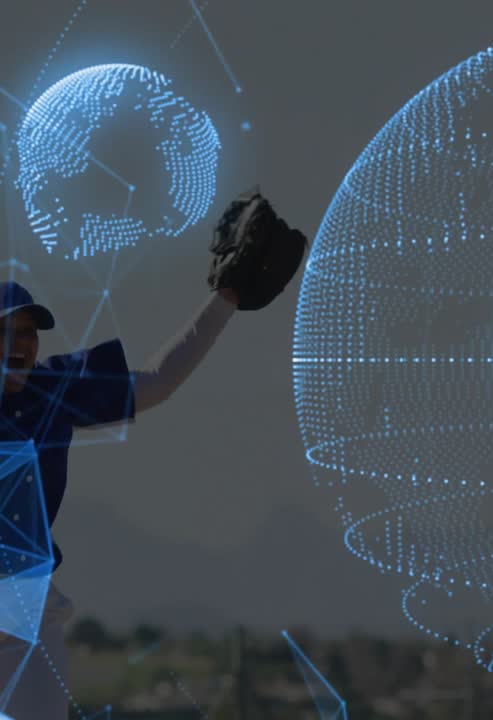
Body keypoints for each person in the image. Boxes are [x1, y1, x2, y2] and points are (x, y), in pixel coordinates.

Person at [0, 190, 304, 719]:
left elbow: (159, 382)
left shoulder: (51, 391)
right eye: (7, 330)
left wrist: (226, 298)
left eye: (28, 332)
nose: (21, 341)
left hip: (25, 610)